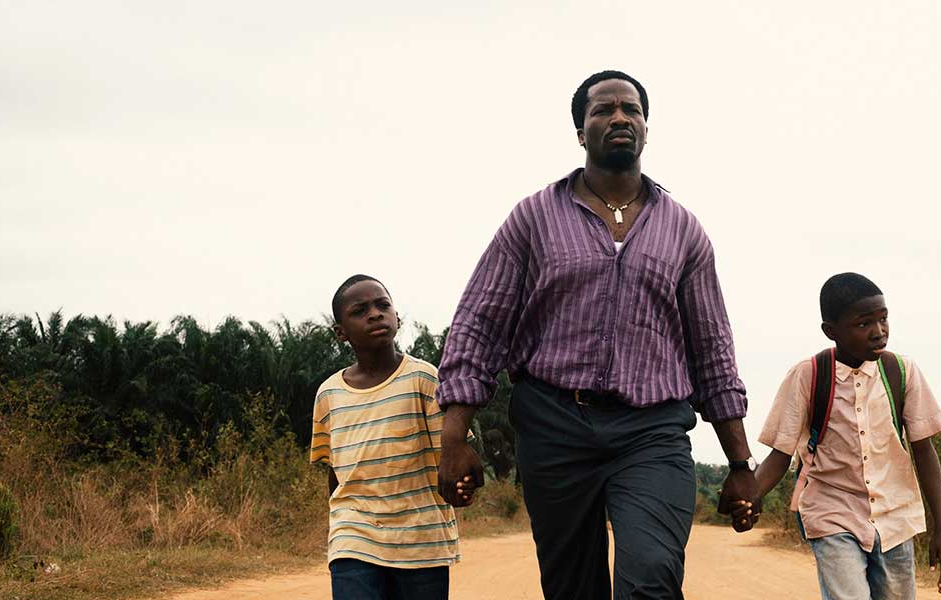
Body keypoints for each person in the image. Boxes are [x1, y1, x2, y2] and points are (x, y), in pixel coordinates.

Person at [435, 70, 759, 600]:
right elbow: (480, 323)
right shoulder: (533, 217)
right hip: (554, 425)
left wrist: (740, 464)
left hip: (651, 431)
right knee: (571, 587)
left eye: (630, 110)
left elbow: (713, 351)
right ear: (580, 132)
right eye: (602, 110)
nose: (618, 118)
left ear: (646, 129)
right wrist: (454, 438)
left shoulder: (684, 231)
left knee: (652, 576)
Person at [750, 272, 941, 599]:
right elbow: (780, 453)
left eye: (883, 319)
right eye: (863, 324)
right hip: (831, 514)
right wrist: (751, 496)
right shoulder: (808, 376)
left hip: (894, 518)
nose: (878, 332)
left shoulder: (901, 372)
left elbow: (924, 450)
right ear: (831, 331)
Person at [310, 274, 473, 600]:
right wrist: (339, 522)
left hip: (421, 540)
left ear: (396, 316)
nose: (374, 314)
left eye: (382, 305)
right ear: (340, 333)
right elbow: (335, 471)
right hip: (353, 536)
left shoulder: (424, 378)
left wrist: (461, 484)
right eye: (360, 310)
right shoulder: (328, 395)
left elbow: (453, 453)